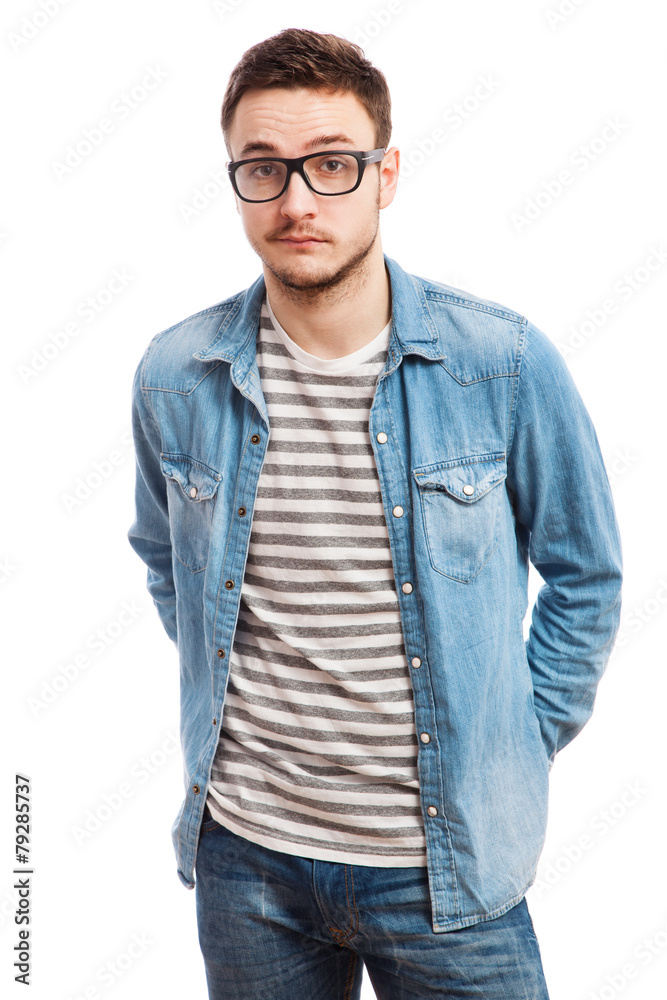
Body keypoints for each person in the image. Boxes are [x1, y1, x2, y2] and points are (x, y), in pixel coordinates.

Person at [128, 27, 622, 1000]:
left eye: (330, 164)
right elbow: (164, 559)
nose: (297, 200)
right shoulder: (175, 376)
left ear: (385, 174)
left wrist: (515, 737)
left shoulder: (503, 364)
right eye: (263, 169)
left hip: (447, 870)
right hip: (249, 867)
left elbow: (585, 572)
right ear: (235, 181)